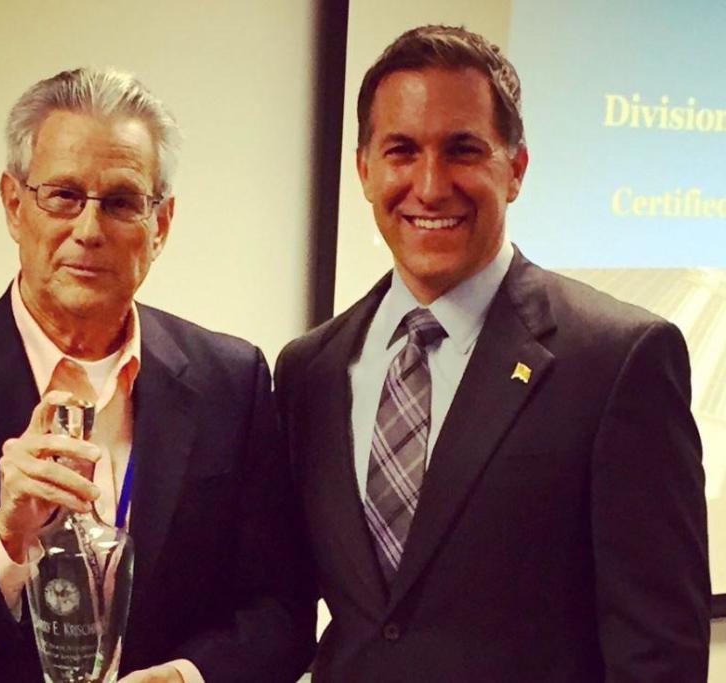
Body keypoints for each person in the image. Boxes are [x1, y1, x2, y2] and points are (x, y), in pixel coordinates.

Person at [0, 67, 314, 683]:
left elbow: (281, 613)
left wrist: (190, 677)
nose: (88, 230)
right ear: (13, 205)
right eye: (63, 195)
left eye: (122, 202)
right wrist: (4, 538)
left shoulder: (231, 380)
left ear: (159, 226)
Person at [275, 24, 709, 682]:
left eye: (462, 150)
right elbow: (293, 602)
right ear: (363, 169)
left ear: (515, 169)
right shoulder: (311, 369)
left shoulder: (620, 361)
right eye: (401, 150)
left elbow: (660, 653)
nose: (429, 184)